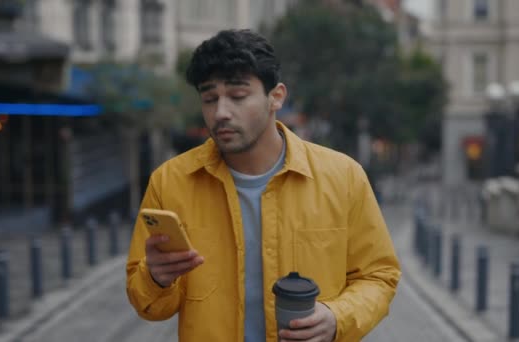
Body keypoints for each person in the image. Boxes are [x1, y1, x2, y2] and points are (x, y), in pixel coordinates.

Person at [126, 29, 401, 342]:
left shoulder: (344, 177)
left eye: (238, 96)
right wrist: (156, 278)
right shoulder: (169, 182)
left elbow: (379, 276)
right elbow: (148, 305)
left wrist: (337, 317)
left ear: (276, 97)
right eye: (209, 99)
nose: (221, 113)